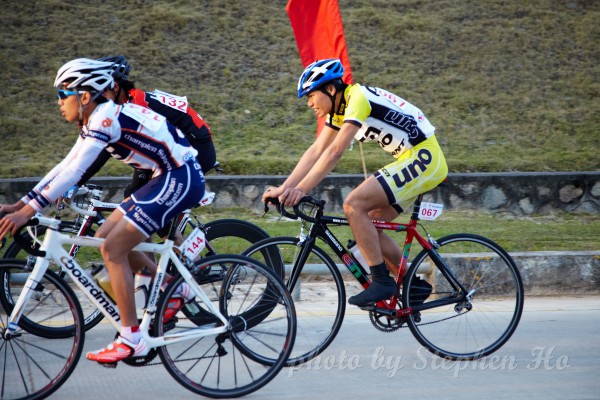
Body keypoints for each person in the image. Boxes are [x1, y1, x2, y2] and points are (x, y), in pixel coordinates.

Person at [0, 58, 205, 363]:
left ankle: (132, 338)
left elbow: (74, 174)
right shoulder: (96, 118)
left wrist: (29, 211)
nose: (58, 102)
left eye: (62, 94)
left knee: (113, 248)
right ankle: (172, 289)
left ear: (84, 96)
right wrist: (20, 205)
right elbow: (66, 166)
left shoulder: (104, 119)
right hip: (165, 175)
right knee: (104, 235)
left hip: (179, 176)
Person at [262, 59, 448, 307]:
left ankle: (381, 281)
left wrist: (301, 190)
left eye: (311, 95)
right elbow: (317, 149)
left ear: (330, 89)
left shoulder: (357, 98)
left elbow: (335, 152)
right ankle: (412, 285)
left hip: (424, 157)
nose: (309, 103)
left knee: (353, 205)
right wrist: (285, 188)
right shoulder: (340, 109)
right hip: (414, 159)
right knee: (369, 224)